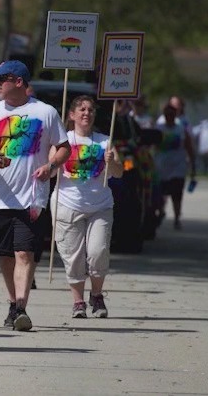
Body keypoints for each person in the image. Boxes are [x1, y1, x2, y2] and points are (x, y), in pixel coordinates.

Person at [0, 60, 70, 333]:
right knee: (6, 257)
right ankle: (13, 304)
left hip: (32, 198)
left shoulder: (45, 112)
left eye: (2, 79)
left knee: (24, 253)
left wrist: (51, 166)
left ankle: (22, 309)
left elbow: (64, 148)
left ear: (19, 82)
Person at [53, 96, 123, 319]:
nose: (86, 113)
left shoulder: (105, 141)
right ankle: (78, 301)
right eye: (81, 109)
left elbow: (119, 173)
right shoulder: (62, 141)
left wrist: (111, 161)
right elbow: (52, 170)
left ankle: (97, 294)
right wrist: (52, 161)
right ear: (72, 115)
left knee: (98, 251)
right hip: (67, 204)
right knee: (72, 256)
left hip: (100, 206)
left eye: (91, 110)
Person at [154, 102, 196, 230]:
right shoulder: (158, 129)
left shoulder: (180, 129)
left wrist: (193, 166)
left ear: (175, 115)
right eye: (167, 114)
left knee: (177, 195)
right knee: (161, 194)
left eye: (172, 114)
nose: (169, 117)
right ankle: (160, 211)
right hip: (161, 168)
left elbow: (189, 147)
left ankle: (177, 218)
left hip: (178, 168)